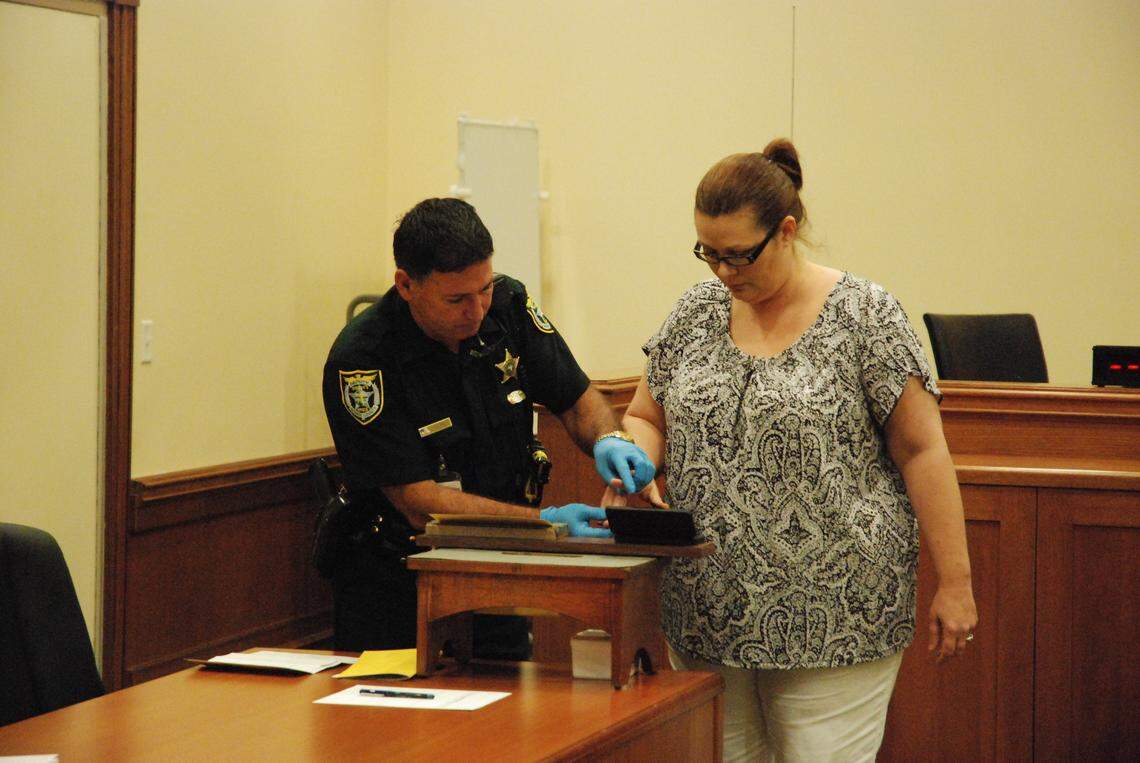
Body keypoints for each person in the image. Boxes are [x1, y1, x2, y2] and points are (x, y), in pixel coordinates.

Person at [605, 140, 978, 761]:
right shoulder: (694, 313)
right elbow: (647, 415)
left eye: (739, 255)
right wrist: (632, 455)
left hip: (837, 610)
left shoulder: (866, 316)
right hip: (706, 607)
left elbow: (923, 452)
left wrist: (956, 582)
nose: (724, 273)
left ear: (786, 230)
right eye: (709, 254)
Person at [322, 197, 654, 655]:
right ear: (406, 285)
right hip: (400, 583)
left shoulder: (508, 304)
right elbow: (417, 503)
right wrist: (545, 524)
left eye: (483, 289)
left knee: (507, 693)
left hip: (499, 572)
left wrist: (610, 438)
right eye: (456, 299)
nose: (477, 310)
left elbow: (576, 400)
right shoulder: (364, 359)